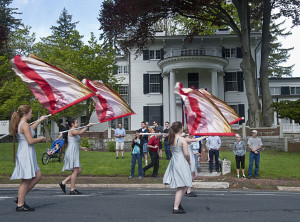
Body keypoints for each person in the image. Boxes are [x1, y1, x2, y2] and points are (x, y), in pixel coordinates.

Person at [10, 105, 47, 212]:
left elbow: (31, 130)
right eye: (31, 113)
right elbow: (30, 140)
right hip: (25, 154)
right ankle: (20, 205)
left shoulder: (23, 124)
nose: (32, 114)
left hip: (28, 153)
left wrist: (40, 120)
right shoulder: (24, 125)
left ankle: (20, 197)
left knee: (38, 175)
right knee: (26, 180)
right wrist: (41, 138)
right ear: (25, 114)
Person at [59, 118, 93, 195]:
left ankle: (63, 182)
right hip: (71, 152)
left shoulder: (74, 130)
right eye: (76, 122)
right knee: (75, 171)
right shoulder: (72, 130)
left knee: (79, 170)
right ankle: (72, 189)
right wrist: (87, 126)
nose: (78, 124)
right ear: (72, 124)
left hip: (74, 151)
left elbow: (74, 143)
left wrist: (82, 148)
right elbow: (80, 132)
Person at [163, 122, 192, 214]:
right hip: (181, 161)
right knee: (183, 184)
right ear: (180, 128)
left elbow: (178, 137)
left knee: (183, 183)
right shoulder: (182, 140)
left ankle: (177, 203)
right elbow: (186, 154)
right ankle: (176, 207)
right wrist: (189, 161)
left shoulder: (172, 138)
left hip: (174, 160)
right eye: (182, 127)